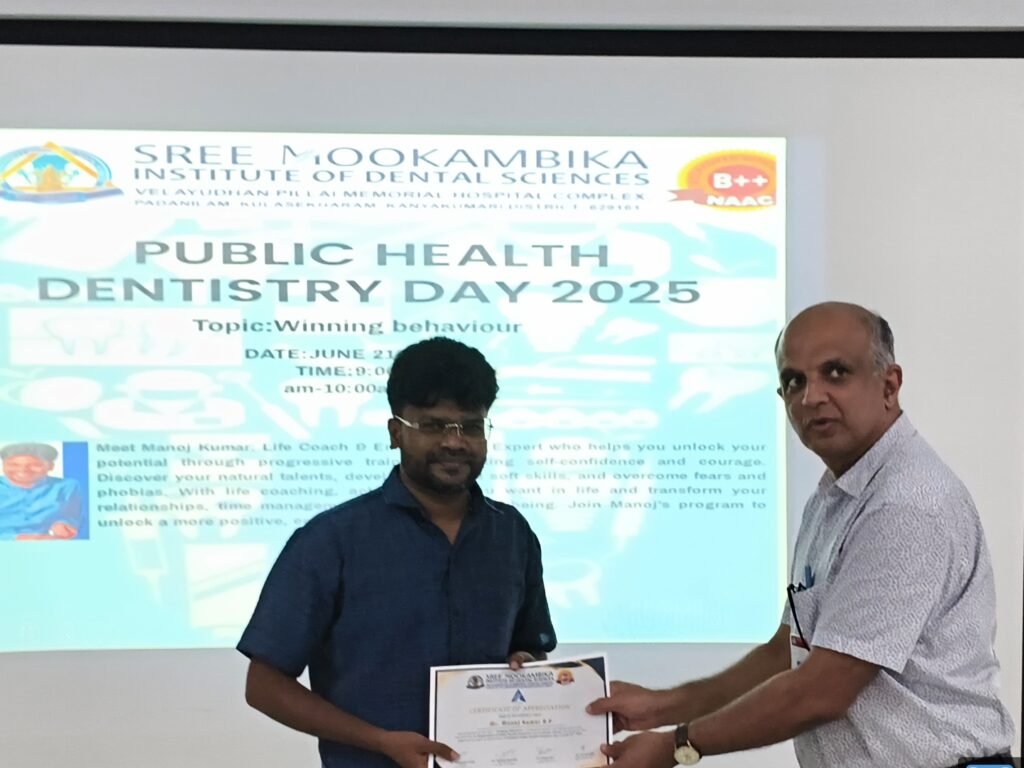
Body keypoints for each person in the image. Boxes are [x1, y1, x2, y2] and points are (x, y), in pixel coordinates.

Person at [587, 302, 1015, 767]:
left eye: (836, 372)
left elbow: (822, 690)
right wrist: (661, 707)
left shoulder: (904, 504)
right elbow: (789, 653)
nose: (811, 397)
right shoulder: (836, 494)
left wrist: (677, 746)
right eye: (794, 381)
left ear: (889, 385)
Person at [238, 336, 557, 768]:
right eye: (434, 425)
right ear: (396, 433)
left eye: (471, 426)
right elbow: (263, 686)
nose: (455, 442)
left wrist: (525, 665)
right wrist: (380, 741)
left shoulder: (512, 533)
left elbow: (529, 648)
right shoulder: (331, 540)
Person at [0, 442, 82, 540]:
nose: (23, 470)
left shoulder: (67, 486)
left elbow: (73, 516)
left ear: (51, 466)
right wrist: (16, 538)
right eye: (14, 464)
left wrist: (64, 524)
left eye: (35, 465)